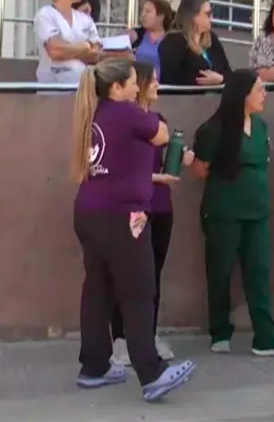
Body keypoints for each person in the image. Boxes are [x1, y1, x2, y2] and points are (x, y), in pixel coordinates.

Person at [71, 58, 196, 402]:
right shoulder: (125, 111)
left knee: (98, 289)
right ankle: (152, 372)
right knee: (139, 291)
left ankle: (94, 366)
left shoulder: (96, 112)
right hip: (121, 215)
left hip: (90, 212)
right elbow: (162, 134)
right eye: (132, 82)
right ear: (117, 87)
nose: (137, 87)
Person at [190, 69, 274, 358]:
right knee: (220, 271)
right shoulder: (214, 129)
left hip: (257, 210)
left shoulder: (261, 126)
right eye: (259, 89)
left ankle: (266, 337)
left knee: (259, 272)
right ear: (243, 94)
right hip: (224, 210)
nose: (264, 94)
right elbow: (199, 169)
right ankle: (220, 331)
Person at [110, 61, 193, 367]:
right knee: (129, 276)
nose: (158, 85)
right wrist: (153, 177)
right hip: (133, 208)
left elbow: (159, 162)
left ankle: (148, 334)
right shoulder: (123, 120)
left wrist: (180, 157)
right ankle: (121, 339)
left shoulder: (158, 120)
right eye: (152, 80)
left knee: (152, 276)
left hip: (160, 205)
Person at [33, 0, 106, 85]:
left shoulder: (85, 19)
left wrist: (69, 49)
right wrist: (85, 46)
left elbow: (95, 55)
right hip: (52, 91)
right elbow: (56, 51)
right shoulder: (45, 15)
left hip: (82, 90)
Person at [158, 0, 231, 86]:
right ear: (193, 16)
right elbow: (169, 79)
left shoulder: (212, 38)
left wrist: (221, 79)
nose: (211, 17)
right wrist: (202, 81)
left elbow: (228, 73)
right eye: (207, 14)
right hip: (187, 98)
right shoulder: (173, 42)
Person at [130, 0, 174, 77]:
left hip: (161, 86)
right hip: (138, 85)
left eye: (148, 11)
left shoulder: (173, 39)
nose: (143, 14)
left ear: (161, 16)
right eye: (142, 11)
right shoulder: (136, 35)